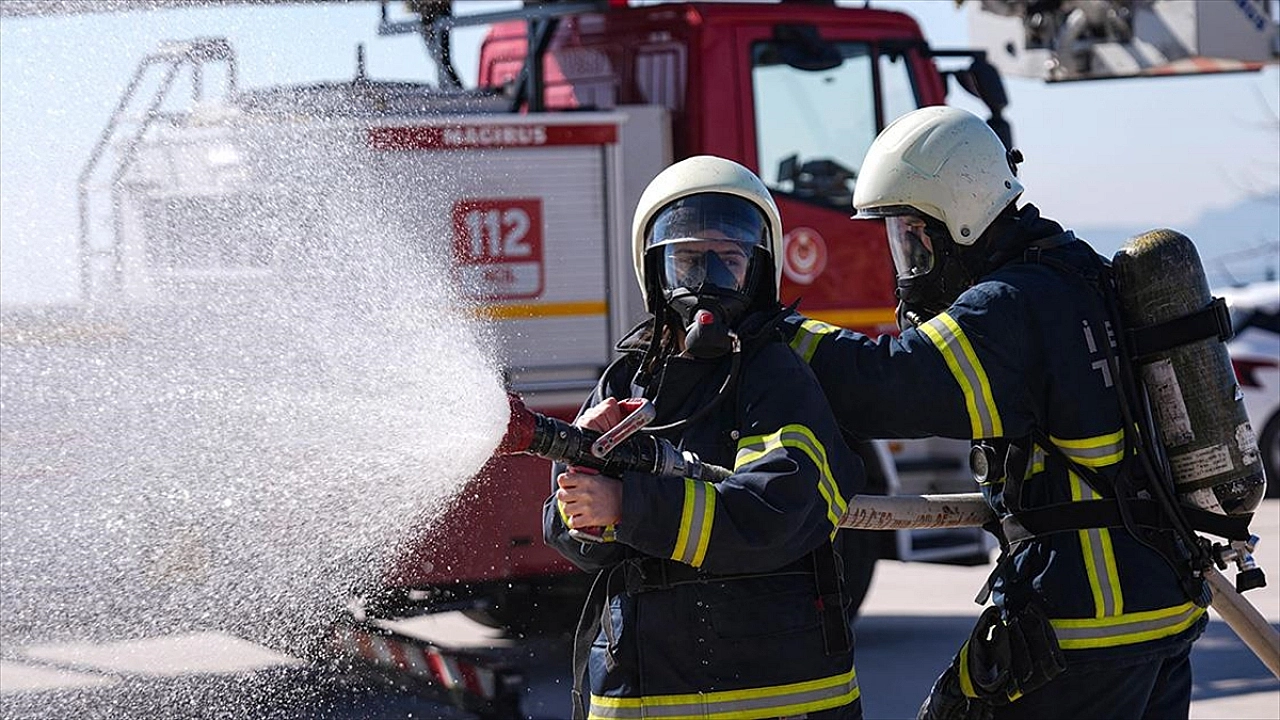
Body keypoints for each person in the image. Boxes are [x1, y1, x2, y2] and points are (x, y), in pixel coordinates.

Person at [782, 106, 1209, 720]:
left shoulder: (1008, 305)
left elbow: (889, 386)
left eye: (911, 234)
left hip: (1087, 623)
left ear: (955, 215)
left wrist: (776, 333)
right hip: (1164, 608)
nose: (908, 260)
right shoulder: (1076, 269)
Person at [543, 155, 866, 720]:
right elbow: (564, 528)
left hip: (773, 696)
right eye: (689, 260)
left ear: (758, 273)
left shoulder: (775, 377)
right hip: (640, 692)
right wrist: (586, 485)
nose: (708, 282)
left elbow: (775, 511)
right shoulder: (627, 378)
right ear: (656, 271)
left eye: (728, 260)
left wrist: (627, 504)